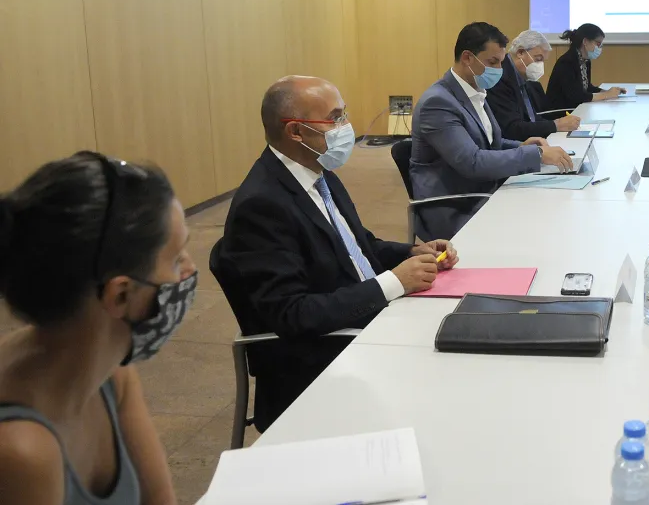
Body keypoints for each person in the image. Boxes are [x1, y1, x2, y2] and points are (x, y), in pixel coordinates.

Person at [215, 76, 457, 432]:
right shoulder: (262, 205)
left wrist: (413, 250)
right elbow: (292, 313)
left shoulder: (316, 171)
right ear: (296, 132)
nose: (346, 127)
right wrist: (393, 283)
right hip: (321, 358)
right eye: (336, 118)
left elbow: (356, 243)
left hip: (365, 319)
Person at [0, 152, 196, 505]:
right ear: (120, 293)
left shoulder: (111, 373)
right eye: (176, 257)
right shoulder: (20, 450)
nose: (189, 269)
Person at [411, 22, 573, 240]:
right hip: (456, 205)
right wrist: (537, 155)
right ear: (467, 58)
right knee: (541, 225)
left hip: (486, 189)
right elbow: (473, 162)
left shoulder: (475, 90)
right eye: (492, 62)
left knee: (553, 207)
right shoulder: (438, 103)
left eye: (501, 63)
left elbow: (489, 143)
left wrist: (522, 145)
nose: (498, 70)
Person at [486, 29, 581, 141]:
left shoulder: (522, 77)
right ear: (520, 52)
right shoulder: (501, 77)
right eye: (538, 59)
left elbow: (532, 118)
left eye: (542, 61)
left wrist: (559, 124)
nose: (540, 65)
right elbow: (511, 129)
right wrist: (556, 125)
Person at [546, 23, 627, 109]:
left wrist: (609, 92)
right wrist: (606, 95)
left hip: (576, 109)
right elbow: (576, 96)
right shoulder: (567, 62)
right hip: (561, 113)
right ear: (585, 41)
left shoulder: (585, 60)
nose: (600, 48)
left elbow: (587, 88)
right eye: (598, 44)